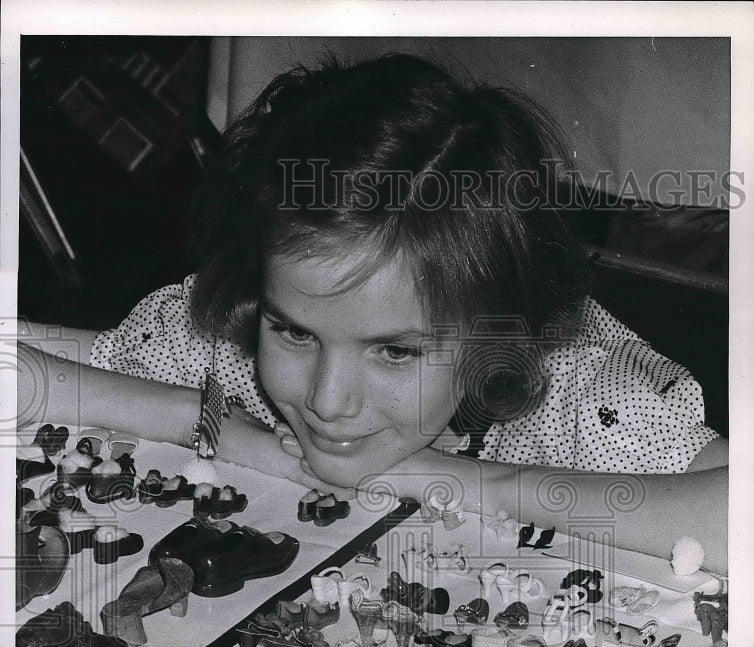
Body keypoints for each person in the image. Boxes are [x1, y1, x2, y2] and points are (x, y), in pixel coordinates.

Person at [17, 53, 728, 573]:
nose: (327, 401)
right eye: (294, 332)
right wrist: (219, 429)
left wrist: (443, 478)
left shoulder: (581, 398)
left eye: (396, 352)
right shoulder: (234, 334)